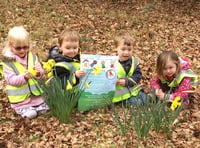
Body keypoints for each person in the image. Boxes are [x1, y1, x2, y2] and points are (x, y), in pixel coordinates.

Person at [1, 26, 49, 119]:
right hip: (20, 100)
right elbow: (11, 80)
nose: (22, 50)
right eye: (18, 48)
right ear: (11, 46)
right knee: (31, 114)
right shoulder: (8, 62)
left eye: (25, 47)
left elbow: (41, 72)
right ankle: (25, 110)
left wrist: (39, 72)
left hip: (36, 96)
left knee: (45, 110)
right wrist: (24, 77)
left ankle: (37, 106)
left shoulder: (32, 56)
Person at [112, 32, 146, 106]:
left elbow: (138, 76)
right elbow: (108, 77)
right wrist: (116, 81)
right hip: (121, 95)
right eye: (123, 49)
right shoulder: (111, 62)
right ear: (116, 48)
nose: (126, 52)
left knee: (145, 99)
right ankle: (121, 103)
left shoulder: (134, 61)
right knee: (138, 103)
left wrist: (127, 81)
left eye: (129, 50)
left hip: (133, 90)